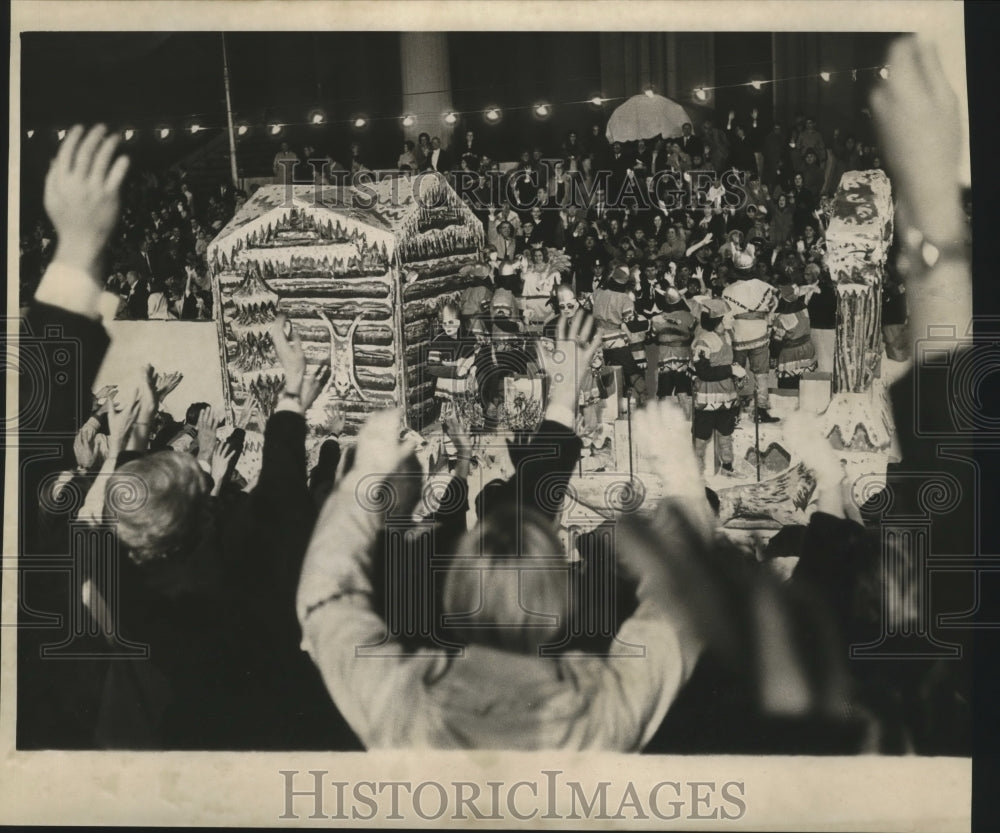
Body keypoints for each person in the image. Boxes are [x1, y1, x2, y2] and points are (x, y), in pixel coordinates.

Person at [296, 313, 716, 749]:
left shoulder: (400, 700)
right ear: (560, 597)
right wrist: (682, 477)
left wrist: (361, 479)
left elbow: (325, 596)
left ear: (455, 589)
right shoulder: (601, 710)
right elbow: (684, 604)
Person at [721, 252, 780, 422]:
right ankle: (761, 409)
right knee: (761, 373)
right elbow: (773, 306)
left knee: (736, 371)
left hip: (738, 335)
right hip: (760, 333)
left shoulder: (727, 291)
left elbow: (726, 318)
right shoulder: (765, 287)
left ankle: (733, 409)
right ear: (753, 267)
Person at [690, 297, 744, 477]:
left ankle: (727, 467)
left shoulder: (728, 336)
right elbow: (703, 372)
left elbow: (729, 362)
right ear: (719, 318)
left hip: (726, 395)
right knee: (702, 435)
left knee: (725, 431)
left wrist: (736, 374)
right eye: (730, 316)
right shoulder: (704, 340)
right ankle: (696, 474)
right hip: (708, 395)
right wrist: (730, 370)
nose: (733, 319)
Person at [771, 273, 818, 389]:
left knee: (788, 387)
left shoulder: (782, 318)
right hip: (807, 350)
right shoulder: (804, 309)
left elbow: (777, 342)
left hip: (790, 355)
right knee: (805, 386)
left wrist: (773, 355)